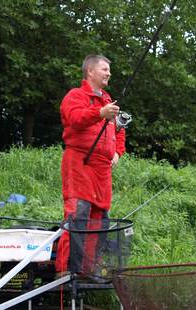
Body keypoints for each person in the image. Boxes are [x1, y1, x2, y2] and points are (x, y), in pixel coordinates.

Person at [55, 55, 126, 276]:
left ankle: (89, 270)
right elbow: (74, 118)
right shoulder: (75, 96)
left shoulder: (108, 100)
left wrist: (117, 151)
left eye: (109, 70)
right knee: (78, 215)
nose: (109, 73)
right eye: (105, 69)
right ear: (90, 72)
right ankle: (66, 270)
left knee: (100, 219)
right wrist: (98, 113)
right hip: (80, 163)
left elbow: (119, 128)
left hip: (102, 170)